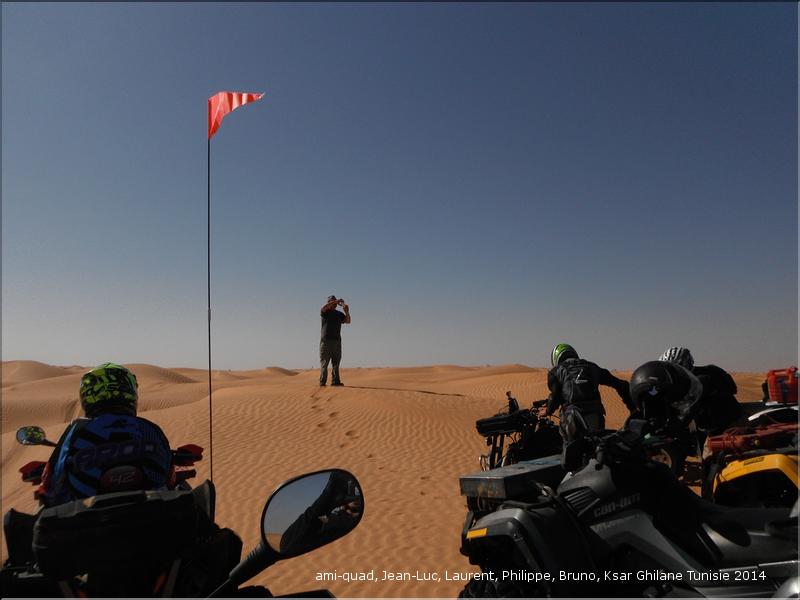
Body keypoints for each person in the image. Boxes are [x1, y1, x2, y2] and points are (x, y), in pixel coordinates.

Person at [38, 362, 174, 507]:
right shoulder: (148, 428)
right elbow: (169, 474)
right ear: (130, 391)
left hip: (86, 516)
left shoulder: (77, 430)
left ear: (87, 395)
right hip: (153, 511)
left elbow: (52, 481)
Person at [547, 343, 633, 444]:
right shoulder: (592, 367)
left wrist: (548, 411)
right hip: (595, 415)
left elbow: (555, 397)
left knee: (570, 447)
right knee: (598, 445)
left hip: (571, 418)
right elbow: (621, 385)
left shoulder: (555, 371)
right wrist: (632, 408)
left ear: (555, 359)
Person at [658, 346, 741, 435]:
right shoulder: (710, 371)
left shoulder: (700, 381)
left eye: (674, 369)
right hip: (720, 425)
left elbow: (687, 409)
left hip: (727, 428)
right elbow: (733, 389)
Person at [319, 295, 351, 387]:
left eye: (335, 302)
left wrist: (346, 311)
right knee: (324, 363)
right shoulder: (325, 312)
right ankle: (322, 382)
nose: (335, 303)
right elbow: (323, 308)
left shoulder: (338, 314)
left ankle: (335, 381)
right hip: (326, 341)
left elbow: (348, 321)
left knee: (336, 362)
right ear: (328, 302)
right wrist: (336, 301)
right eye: (332, 301)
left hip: (337, 341)